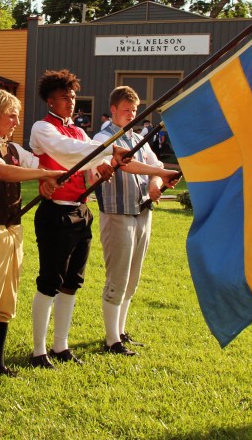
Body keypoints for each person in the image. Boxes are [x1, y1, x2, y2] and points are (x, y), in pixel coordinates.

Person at [28, 70, 160, 368]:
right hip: (55, 211)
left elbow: (89, 164)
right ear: (50, 100)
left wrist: (102, 169)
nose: (71, 103)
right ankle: (39, 350)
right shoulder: (43, 128)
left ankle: (60, 345)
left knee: (72, 282)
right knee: (50, 281)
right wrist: (107, 151)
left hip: (80, 209)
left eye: (73, 98)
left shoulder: (79, 130)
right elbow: (67, 153)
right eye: (64, 98)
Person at [0, 89, 62, 383]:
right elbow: (0, 172)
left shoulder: (14, 149)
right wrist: (43, 176)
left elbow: (38, 165)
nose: (17, 120)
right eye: (11, 115)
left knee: (7, 298)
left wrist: (58, 172)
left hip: (13, 228)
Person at [95, 86, 180, 356]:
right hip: (117, 212)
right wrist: (161, 172)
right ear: (113, 111)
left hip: (141, 211)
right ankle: (111, 340)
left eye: (134, 110)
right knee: (117, 277)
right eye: (126, 110)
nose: (131, 114)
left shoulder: (137, 138)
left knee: (132, 278)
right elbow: (126, 165)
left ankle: (120, 331)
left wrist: (156, 183)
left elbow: (153, 165)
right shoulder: (104, 137)